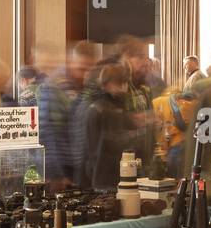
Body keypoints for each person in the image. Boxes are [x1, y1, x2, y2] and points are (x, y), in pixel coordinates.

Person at [38, 42, 97, 190]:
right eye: (81, 69)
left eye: (89, 69)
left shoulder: (90, 87)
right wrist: (56, 174)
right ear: (71, 63)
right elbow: (47, 133)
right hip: (62, 169)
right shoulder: (53, 86)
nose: (84, 74)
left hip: (82, 168)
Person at [79, 63, 146, 190]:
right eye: (122, 83)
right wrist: (139, 134)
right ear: (110, 84)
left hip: (102, 173)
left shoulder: (103, 105)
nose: (126, 88)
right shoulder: (106, 109)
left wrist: (135, 121)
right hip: (108, 176)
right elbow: (112, 141)